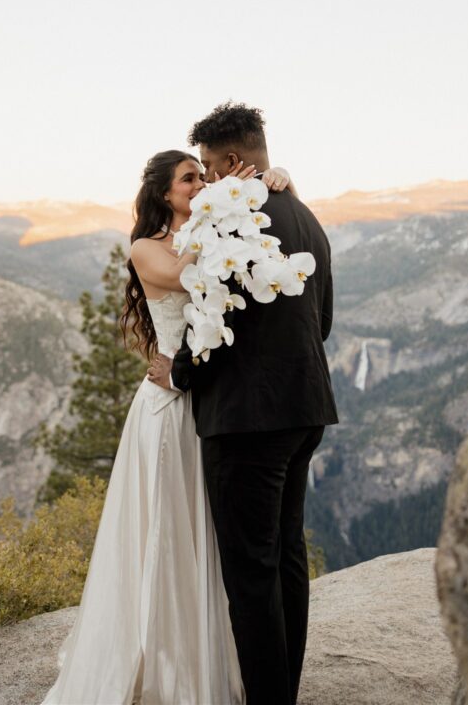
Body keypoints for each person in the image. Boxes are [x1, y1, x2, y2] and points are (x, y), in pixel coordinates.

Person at [39, 148, 293, 705]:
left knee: (209, 530)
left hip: (210, 400)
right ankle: (164, 660)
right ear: (163, 193)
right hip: (167, 408)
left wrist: (273, 183)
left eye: (203, 176)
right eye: (188, 179)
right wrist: (227, 205)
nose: (200, 184)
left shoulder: (210, 226)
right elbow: (187, 275)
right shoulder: (146, 248)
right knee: (167, 528)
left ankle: (210, 656)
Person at [148, 102, 339, 705]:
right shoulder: (306, 218)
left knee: (251, 572)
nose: (206, 182)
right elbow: (322, 322)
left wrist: (178, 372)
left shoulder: (226, 222)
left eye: (208, 168)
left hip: (246, 421)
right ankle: (284, 689)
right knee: (286, 556)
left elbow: (210, 319)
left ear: (232, 161)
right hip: (305, 409)